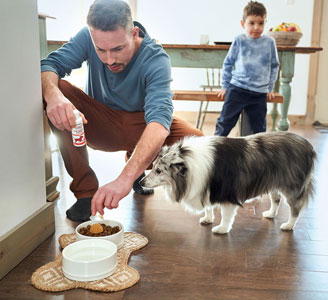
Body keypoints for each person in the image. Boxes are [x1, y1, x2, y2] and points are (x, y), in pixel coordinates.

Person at [41, 0, 202, 222]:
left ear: (134, 33)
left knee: (198, 143)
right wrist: (54, 97)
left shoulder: (156, 59)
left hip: (140, 124)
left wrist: (124, 179)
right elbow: (49, 65)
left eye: (118, 48)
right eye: (101, 50)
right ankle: (86, 193)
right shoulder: (87, 36)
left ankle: (137, 170)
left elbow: (158, 123)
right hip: (98, 122)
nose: (110, 59)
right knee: (53, 86)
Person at [215, 1, 279, 136]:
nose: (256, 27)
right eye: (252, 23)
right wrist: (225, 86)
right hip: (237, 89)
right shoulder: (239, 40)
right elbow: (228, 63)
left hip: (259, 93)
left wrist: (269, 88)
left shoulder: (270, 42)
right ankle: (216, 149)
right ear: (243, 24)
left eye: (261, 23)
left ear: (265, 23)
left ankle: (260, 156)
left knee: (259, 129)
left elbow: (274, 65)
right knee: (225, 122)